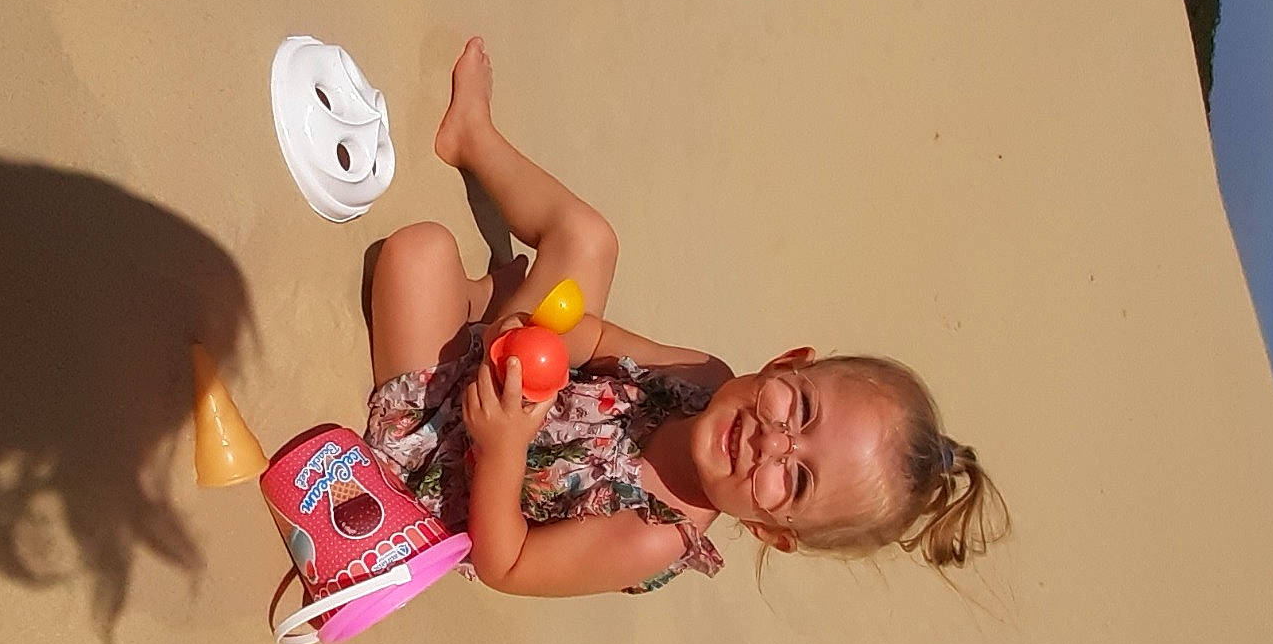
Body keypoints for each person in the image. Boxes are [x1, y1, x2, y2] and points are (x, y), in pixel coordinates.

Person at [363, 39, 1008, 596]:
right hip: (511, 380)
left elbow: (506, 563)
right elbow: (591, 337)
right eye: (800, 410)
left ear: (771, 532)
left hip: (448, 474)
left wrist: (500, 446)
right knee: (591, 239)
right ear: (786, 363)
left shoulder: (655, 536)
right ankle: (472, 137)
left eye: (797, 478)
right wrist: (529, 332)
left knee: (420, 254)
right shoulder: (703, 377)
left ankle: (476, 299)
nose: (772, 442)